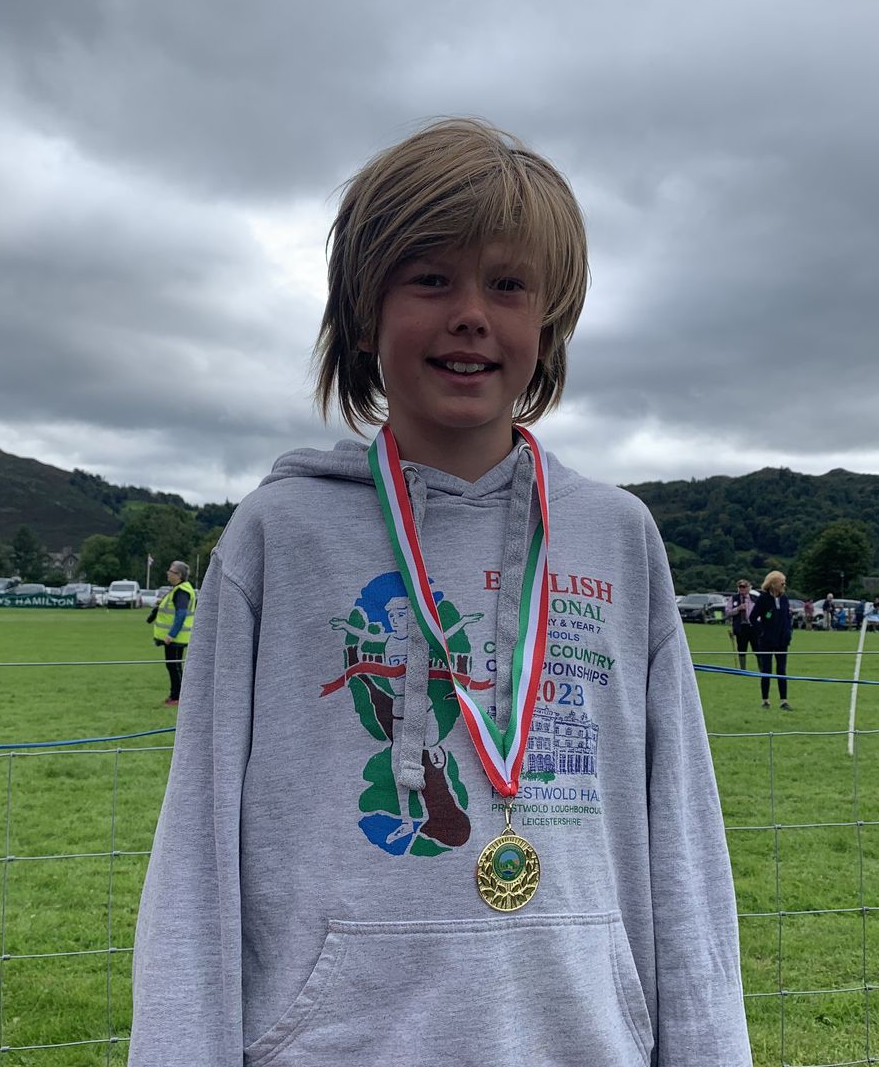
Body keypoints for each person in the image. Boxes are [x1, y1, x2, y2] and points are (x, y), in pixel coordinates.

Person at [128, 118, 751, 1065]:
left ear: (548, 322)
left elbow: (687, 846)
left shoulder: (618, 539)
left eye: (507, 284)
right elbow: (199, 852)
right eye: (431, 279)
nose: (471, 314)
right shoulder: (280, 535)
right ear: (366, 312)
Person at [145, 560, 196, 706]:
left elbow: (181, 614)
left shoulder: (182, 591)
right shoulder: (176, 589)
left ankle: (178, 698)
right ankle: (174, 695)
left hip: (176, 637)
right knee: (172, 666)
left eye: (171, 571)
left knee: (174, 666)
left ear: (178, 575)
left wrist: (171, 634)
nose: (168, 573)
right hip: (174, 637)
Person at [751, 570, 794, 710]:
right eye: (782, 583)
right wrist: (762, 632)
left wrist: (788, 632)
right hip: (767, 641)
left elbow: (787, 617)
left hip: (782, 640)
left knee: (781, 669)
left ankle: (783, 700)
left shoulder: (784, 598)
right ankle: (765, 700)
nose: (784, 585)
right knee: (766, 669)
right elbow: (753, 617)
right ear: (773, 584)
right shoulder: (763, 599)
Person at [728, 578, 757, 672]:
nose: (742, 589)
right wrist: (738, 609)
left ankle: (762, 670)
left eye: (744, 587)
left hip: (753, 627)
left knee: (757, 648)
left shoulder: (755, 598)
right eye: (740, 587)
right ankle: (743, 669)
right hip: (740, 628)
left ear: (748, 587)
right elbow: (728, 612)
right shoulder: (733, 598)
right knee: (741, 649)